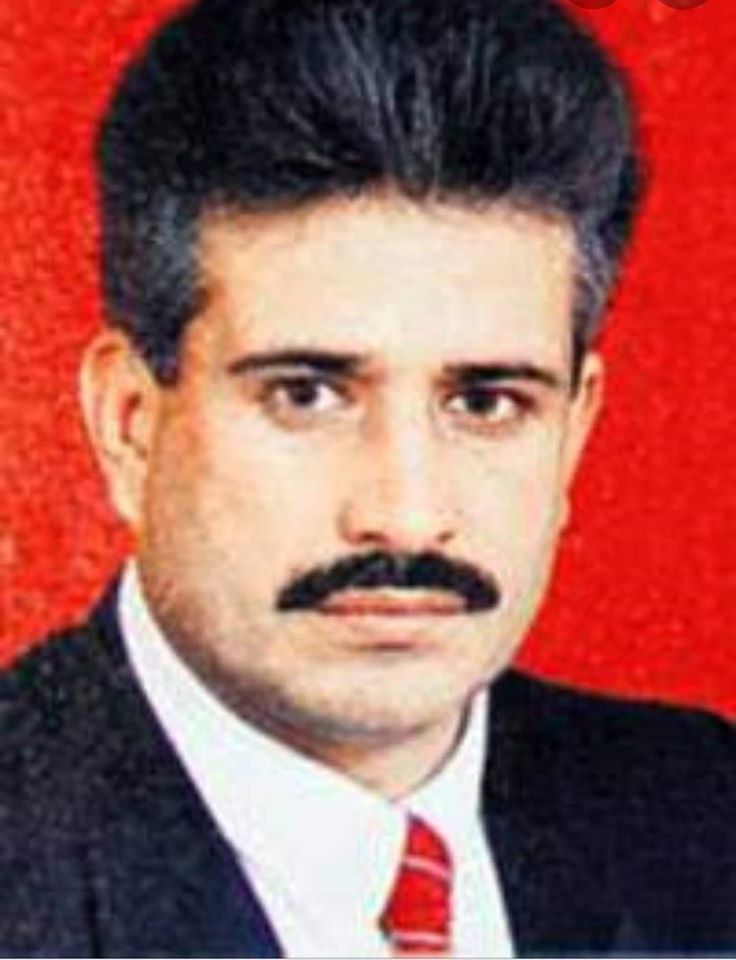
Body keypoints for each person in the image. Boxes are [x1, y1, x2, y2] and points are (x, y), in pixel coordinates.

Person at [2, 0, 734, 955]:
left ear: (573, 432)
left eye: (485, 403)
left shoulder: (704, 810)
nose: (406, 517)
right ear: (129, 424)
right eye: (307, 395)